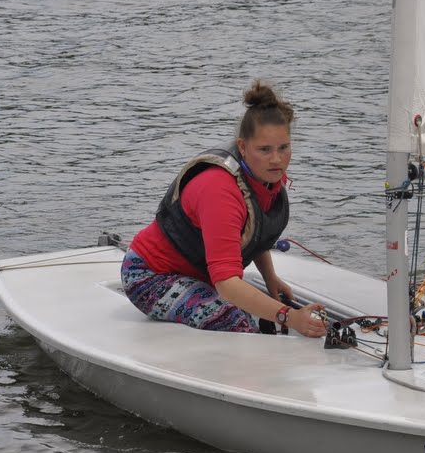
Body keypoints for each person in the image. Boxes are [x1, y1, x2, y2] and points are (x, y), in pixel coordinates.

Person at [121, 80, 328, 338]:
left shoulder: (266, 177)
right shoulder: (220, 190)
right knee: (236, 322)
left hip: (198, 275)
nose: (277, 159)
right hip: (150, 276)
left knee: (254, 312)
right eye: (264, 150)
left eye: (283, 148)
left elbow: (256, 232)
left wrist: (270, 279)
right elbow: (227, 285)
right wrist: (289, 316)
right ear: (242, 147)